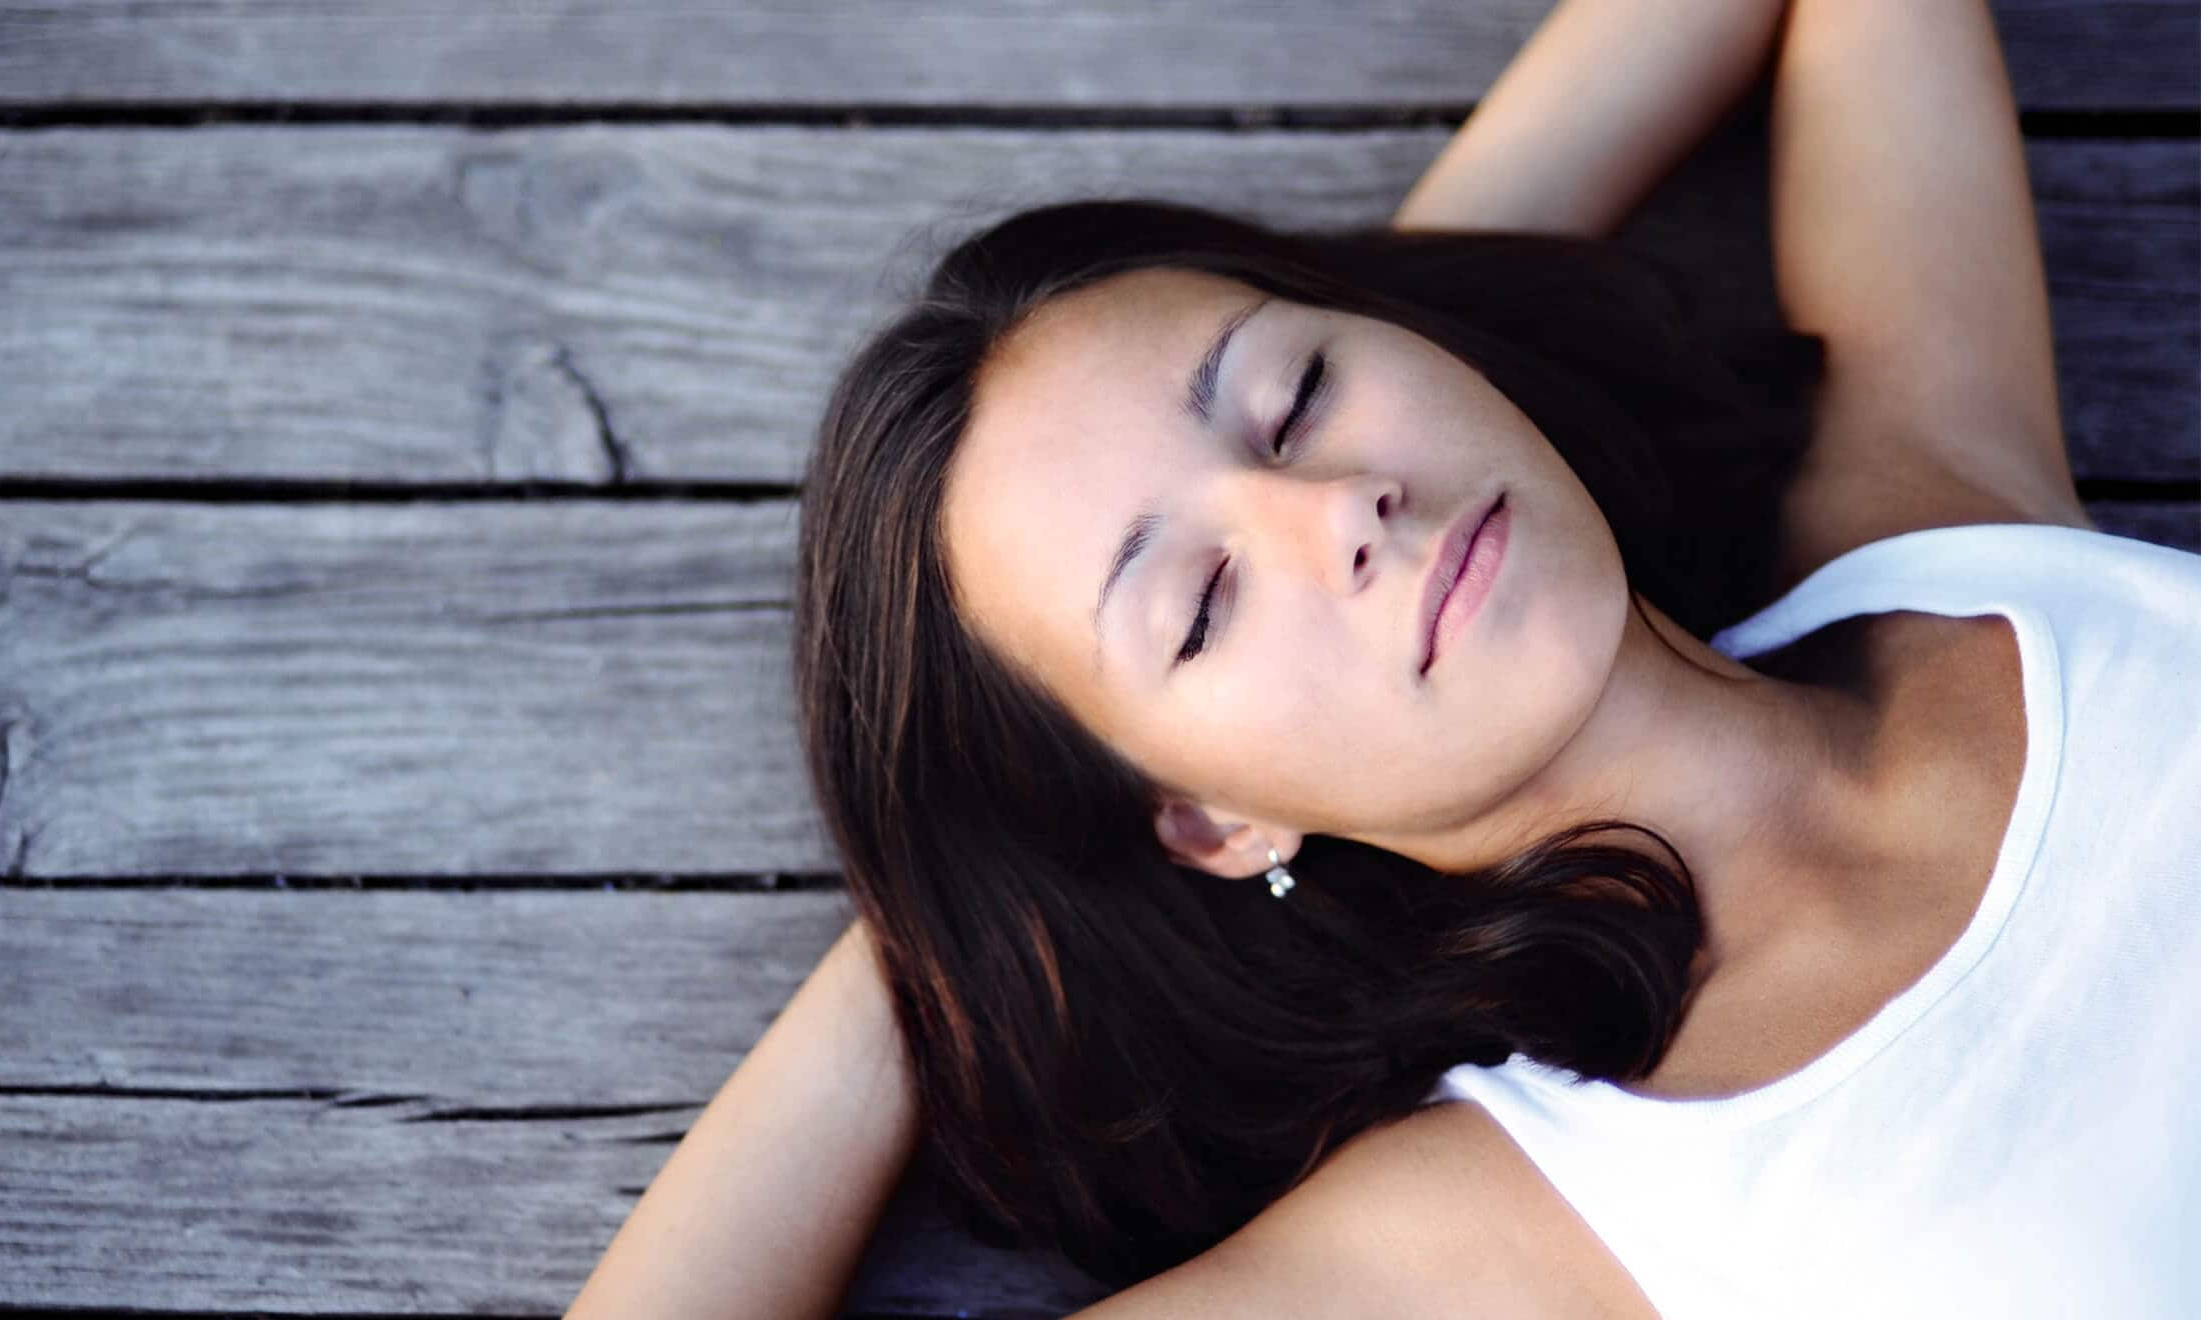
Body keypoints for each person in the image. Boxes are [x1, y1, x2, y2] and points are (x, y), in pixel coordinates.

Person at [567, 1, 2201, 1315]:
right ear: (1210, 825)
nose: (1338, 514)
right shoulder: (1514, 1230)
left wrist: (1409, 309)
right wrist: (952, 934)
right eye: (1200, 607)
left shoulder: (1941, 518)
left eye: (1295, 397)